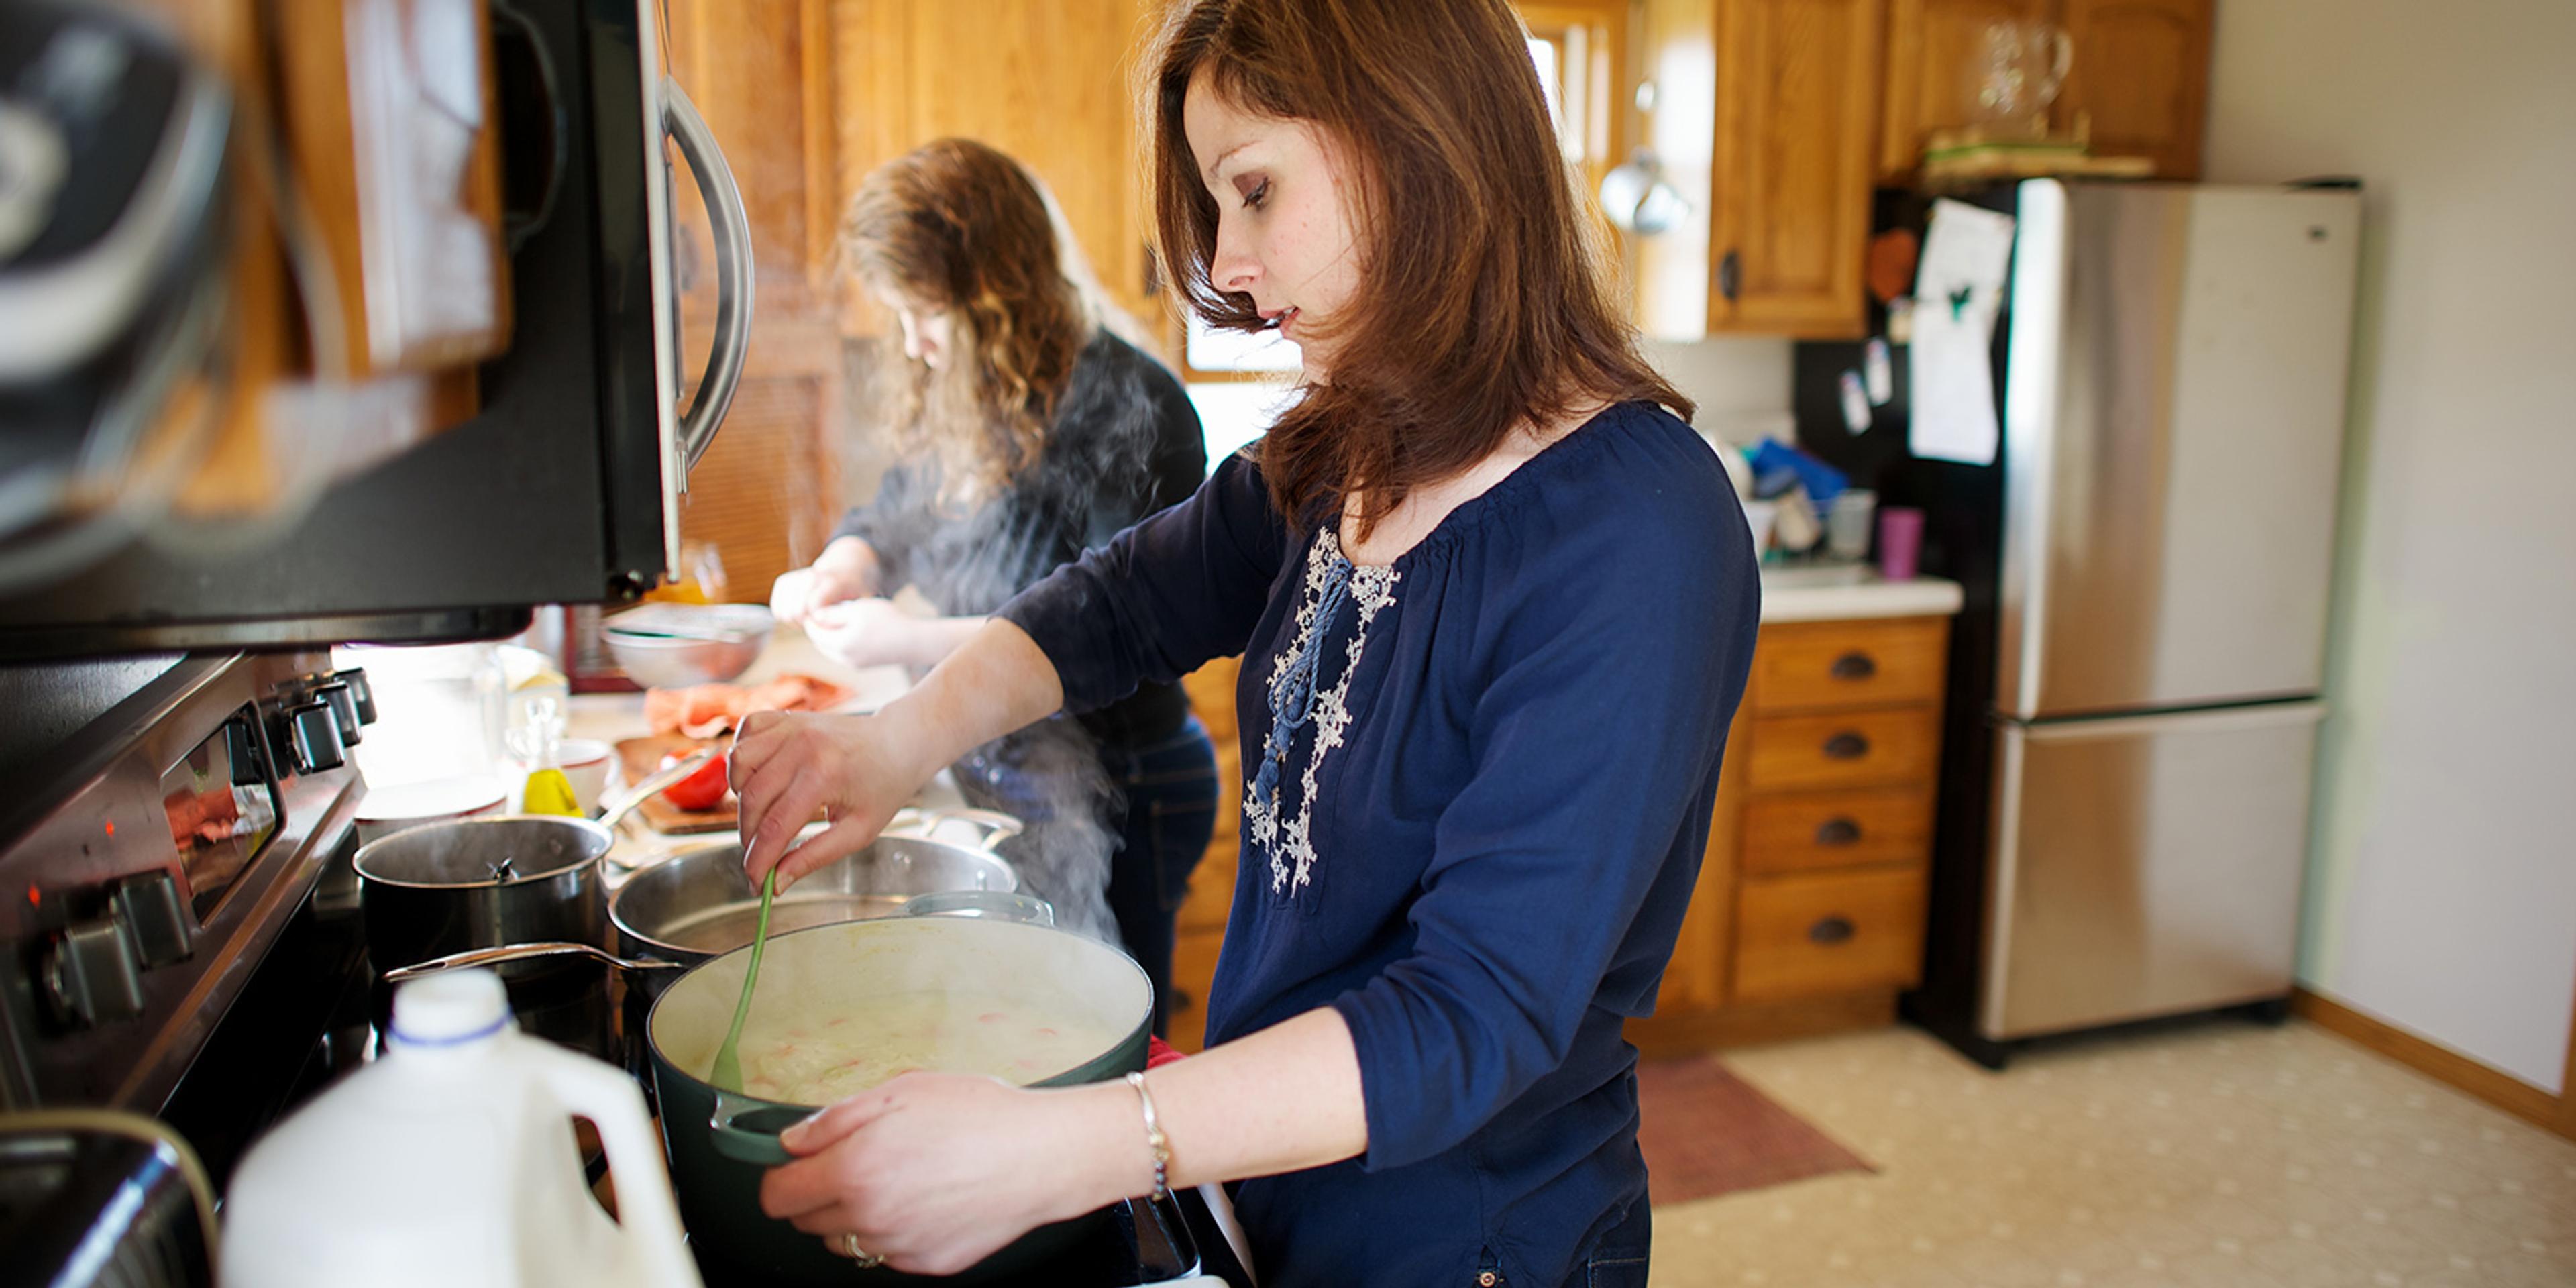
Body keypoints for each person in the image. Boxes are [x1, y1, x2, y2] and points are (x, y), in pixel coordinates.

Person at [730, 2, 1760, 1284]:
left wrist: (1059, 1150)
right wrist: (889, 742)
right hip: (1275, 1192)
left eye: (1254, 191)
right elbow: (1119, 604)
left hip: (1477, 1245)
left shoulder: (1635, 526)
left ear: (1416, 141)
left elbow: (1472, 1014)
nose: (1232, 267)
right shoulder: (1343, 448)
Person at [767, 137, 1217, 1036]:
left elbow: (1100, 625)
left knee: (1106, 1031)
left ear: (992, 290)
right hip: (1001, 767)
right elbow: (891, 513)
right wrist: (845, 564)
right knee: (1022, 1021)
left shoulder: (1138, 407)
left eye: (925, 312)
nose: (914, 343)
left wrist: (899, 642)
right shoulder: (970, 390)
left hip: (1130, 784)